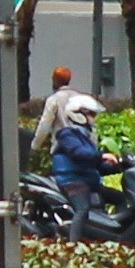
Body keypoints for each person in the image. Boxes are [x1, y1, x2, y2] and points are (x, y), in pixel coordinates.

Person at [51, 94, 116, 242]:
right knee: (82, 209)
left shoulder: (85, 137)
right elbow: (79, 153)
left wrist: (119, 166)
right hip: (73, 180)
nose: (94, 118)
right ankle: (73, 246)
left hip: (87, 180)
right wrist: (102, 156)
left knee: (121, 198)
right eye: (91, 114)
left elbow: (95, 163)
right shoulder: (67, 135)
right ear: (78, 115)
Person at [30, 67, 76, 154]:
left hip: (61, 149)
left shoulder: (54, 100)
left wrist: (34, 146)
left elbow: (44, 125)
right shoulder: (79, 98)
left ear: (55, 81)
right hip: (80, 149)